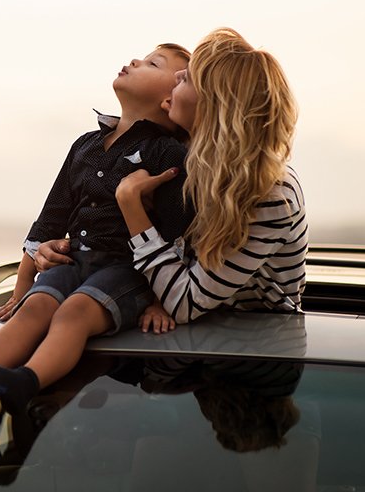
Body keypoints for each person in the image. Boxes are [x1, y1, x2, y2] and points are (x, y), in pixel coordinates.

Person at [0, 43, 195, 415]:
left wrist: (163, 303)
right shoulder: (85, 145)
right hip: (74, 260)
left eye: (151, 63)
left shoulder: (167, 154)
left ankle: (29, 381)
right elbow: (51, 218)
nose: (134, 61)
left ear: (168, 101)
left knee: (72, 313)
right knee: (36, 306)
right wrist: (20, 290)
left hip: (127, 270)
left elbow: (179, 231)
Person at [112, 27, 308, 327]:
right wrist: (61, 247)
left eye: (187, 78)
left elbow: (185, 302)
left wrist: (131, 205)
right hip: (176, 351)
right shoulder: (177, 159)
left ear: (214, 103)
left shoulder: (269, 191)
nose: (177, 78)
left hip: (250, 355)